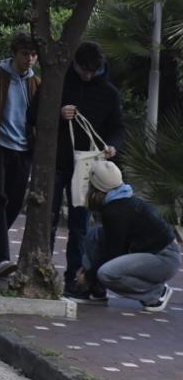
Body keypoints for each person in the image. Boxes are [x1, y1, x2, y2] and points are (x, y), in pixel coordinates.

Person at [50, 41, 126, 297]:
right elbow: (35, 113)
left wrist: (113, 147)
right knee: (47, 218)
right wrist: (58, 113)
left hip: (87, 166)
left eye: (92, 71)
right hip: (57, 159)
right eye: (83, 70)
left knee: (79, 224)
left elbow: (117, 127)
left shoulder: (108, 93)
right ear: (76, 65)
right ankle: (43, 270)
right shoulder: (61, 81)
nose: (87, 75)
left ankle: (75, 278)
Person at [0, 33, 39, 277]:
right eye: (25, 54)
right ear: (15, 53)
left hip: (23, 149)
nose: (29, 59)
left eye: (33, 54)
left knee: (13, 203)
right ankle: (2, 257)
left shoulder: (36, 84)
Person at [80, 162, 179, 311]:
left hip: (164, 259)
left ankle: (156, 294)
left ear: (96, 188)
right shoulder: (121, 199)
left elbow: (112, 253)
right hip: (157, 253)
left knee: (107, 273)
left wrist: (88, 276)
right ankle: (97, 291)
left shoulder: (115, 211)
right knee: (95, 235)